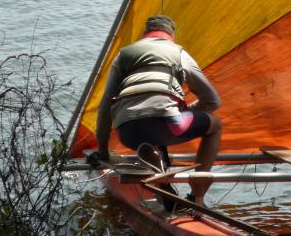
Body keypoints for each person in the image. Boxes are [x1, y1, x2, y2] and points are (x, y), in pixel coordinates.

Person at [90, 14, 221, 208]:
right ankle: (196, 196)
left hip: (128, 131)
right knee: (216, 125)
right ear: (171, 35)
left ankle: (163, 187)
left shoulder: (124, 54)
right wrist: (186, 112)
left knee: (145, 144)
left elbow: (105, 106)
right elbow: (212, 100)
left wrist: (102, 152)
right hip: (170, 124)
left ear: (145, 34)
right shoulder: (179, 53)